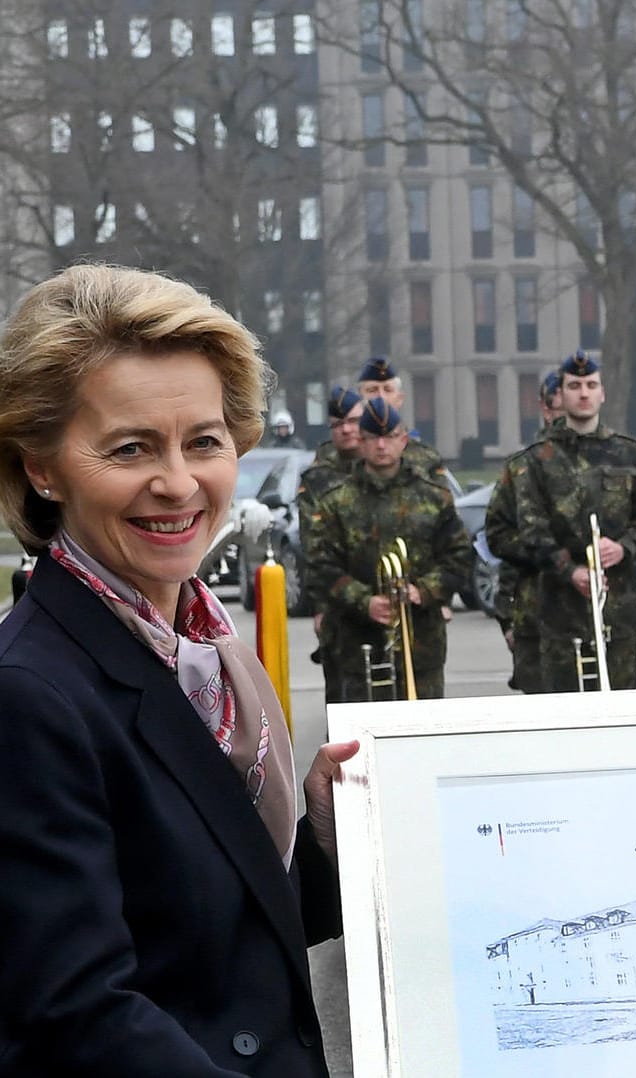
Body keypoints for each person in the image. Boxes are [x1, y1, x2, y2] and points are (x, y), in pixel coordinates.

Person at [0, 263, 358, 1075]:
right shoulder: (28, 693)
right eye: (130, 448)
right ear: (40, 467)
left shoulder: (211, 657)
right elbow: (75, 1015)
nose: (177, 482)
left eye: (204, 441)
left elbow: (215, 938)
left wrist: (327, 850)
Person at [485, 351, 636, 692]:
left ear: (602, 393)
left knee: (620, 711)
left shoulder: (630, 453)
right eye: (574, 385)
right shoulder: (537, 459)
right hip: (558, 611)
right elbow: (532, 529)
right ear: (561, 395)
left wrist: (623, 547)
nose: (583, 393)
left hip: (618, 606)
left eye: (591, 385)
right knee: (564, 714)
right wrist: (570, 571)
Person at [303, 398, 473, 701]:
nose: (382, 446)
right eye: (373, 438)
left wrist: (423, 591)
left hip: (421, 644)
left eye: (390, 437)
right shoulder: (336, 500)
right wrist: (364, 600)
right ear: (362, 442)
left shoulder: (434, 497)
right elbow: (319, 565)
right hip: (355, 645)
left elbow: (459, 557)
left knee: (423, 733)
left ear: (404, 440)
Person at [298, 387, 366, 702]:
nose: (347, 429)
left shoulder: (385, 464)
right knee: (342, 694)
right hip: (338, 601)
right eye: (339, 424)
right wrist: (319, 607)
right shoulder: (317, 477)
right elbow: (313, 547)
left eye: (353, 421)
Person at [354, 355, 446, 482]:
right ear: (359, 399)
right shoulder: (339, 455)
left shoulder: (427, 457)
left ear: (400, 399)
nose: (381, 396)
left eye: (388, 389)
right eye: (372, 390)